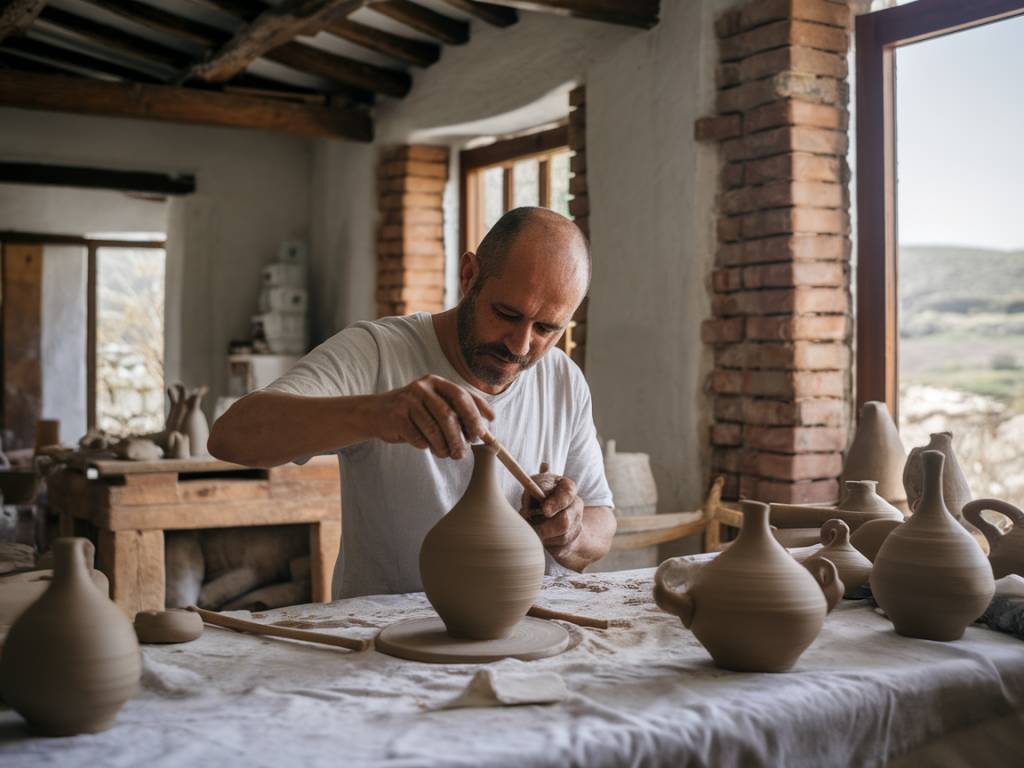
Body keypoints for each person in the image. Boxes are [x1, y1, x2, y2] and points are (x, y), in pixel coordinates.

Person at [209, 207, 616, 598]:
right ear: (469, 275)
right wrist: (374, 413)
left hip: (525, 629)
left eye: (546, 328)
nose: (521, 344)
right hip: (389, 637)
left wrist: (569, 530)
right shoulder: (378, 353)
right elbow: (231, 436)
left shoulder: (563, 379)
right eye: (507, 313)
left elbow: (603, 520)